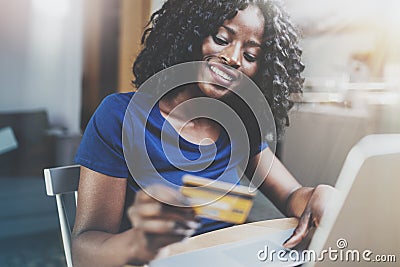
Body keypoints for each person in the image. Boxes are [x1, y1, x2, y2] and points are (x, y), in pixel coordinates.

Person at [72, 0, 334, 266]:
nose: (233, 58)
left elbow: (290, 196)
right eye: (221, 38)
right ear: (189, 33)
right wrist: (136, 242)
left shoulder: (237, 126)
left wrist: (318, 195)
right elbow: (84, 249)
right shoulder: (120, 116)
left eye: (251, 55)